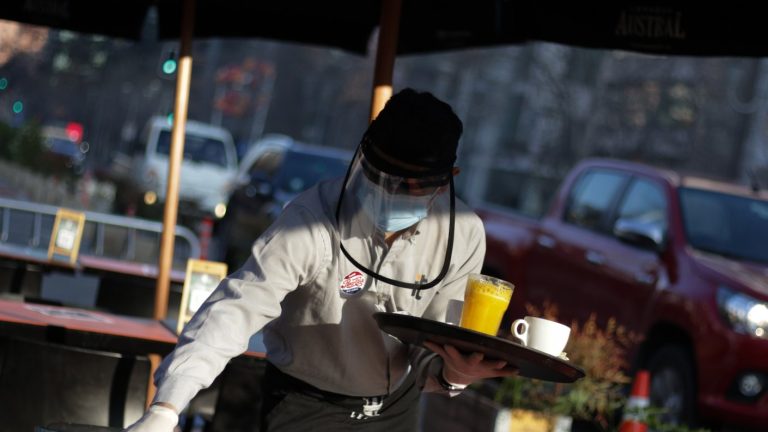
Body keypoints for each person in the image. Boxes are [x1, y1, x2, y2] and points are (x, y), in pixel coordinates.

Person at [125, 88, 516, 432]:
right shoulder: (312, 219)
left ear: (447, 179)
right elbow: (237, 306)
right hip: (303, 402)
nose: (394, 192)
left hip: (395, 408)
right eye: (384, 177)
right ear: (363, 158)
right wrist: (167, 407)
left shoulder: (461, 234)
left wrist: (455, 373)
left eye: (414, 185)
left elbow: (435, 341)